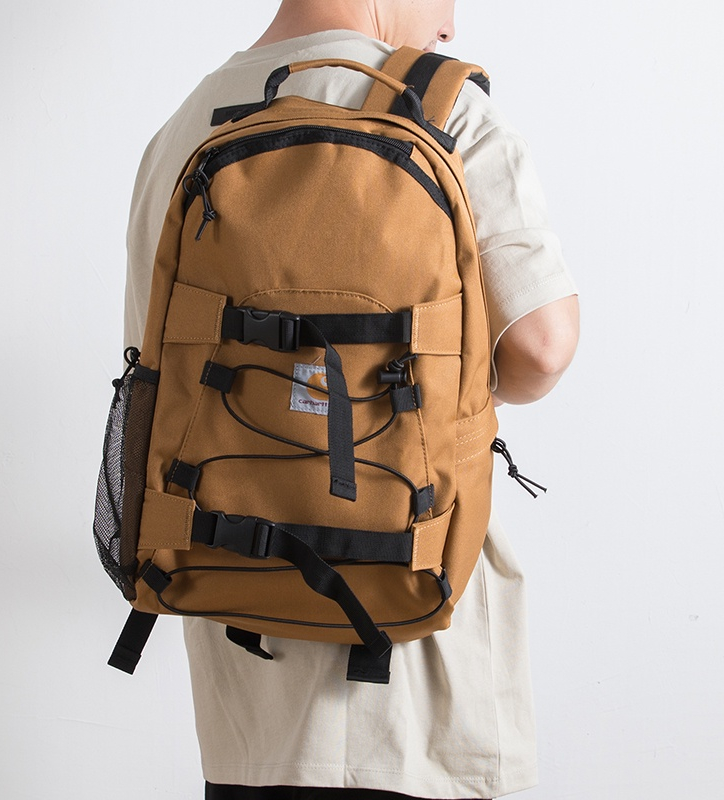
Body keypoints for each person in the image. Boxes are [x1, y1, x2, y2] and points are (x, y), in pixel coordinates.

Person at [123, 1, 580, 798]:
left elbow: (162, 380)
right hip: (418, 685)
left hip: (246, 694)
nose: (450, 25)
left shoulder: (185, 128)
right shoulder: (444, 113)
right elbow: (541, 348)